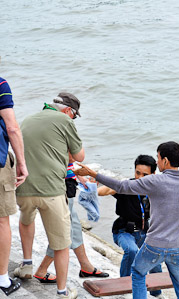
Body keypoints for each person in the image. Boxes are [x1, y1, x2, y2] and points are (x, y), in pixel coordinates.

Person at [75, 141, 179, 299]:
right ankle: (156, 293)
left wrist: (93, 173)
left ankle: (152, 293)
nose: (157, 161)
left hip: (154, 246)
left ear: (165, 161)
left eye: (158, 158)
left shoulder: (154, 182)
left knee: (137, 272)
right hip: (177, 248)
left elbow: (121, 186)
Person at [14, 92, 85, 299]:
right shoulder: (65, 120)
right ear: (68, 111)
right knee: (61, 243)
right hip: (52, 190)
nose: (73, 119)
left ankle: (27, 265)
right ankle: (62, 293)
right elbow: (79, 156)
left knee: (26, 221)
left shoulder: (28, 119)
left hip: (24, 187)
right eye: (74, 115)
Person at [97, 154, 163, 298]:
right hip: (123, 231)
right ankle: (123, 285)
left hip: (143, 232)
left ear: (153, 175)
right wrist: (94, 190)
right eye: (137, 173)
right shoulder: (127, 186)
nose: (139, 178)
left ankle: (156, 293)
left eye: (145, 175)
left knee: (155, 256)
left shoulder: (156, 190)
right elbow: (107, 190)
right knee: (132, 250)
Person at [33, 163, 109, 284]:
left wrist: (78, 175)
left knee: (75, 228)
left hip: (64, 183)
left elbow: (64, 160)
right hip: (59, 186)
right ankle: (42, 270)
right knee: (64, 231)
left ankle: (86, 266)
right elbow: (70, 156)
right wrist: (79, 172)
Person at [0, 77, 28, 296]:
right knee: (2, 220)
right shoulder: (0, 85)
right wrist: (21, 162)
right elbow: (12, 127)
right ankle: (2, 279)